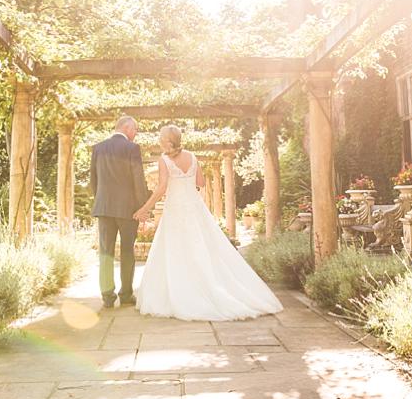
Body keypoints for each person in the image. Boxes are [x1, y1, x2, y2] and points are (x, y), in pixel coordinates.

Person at [133, 124, 283, 321]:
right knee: (201, 248)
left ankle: (185, 293)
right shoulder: (193, 157)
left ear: (169, 141)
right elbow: (201, 183)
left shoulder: (164, 160)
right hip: (194, 208)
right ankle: (207, 286)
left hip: (176, 209)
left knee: (176, 249)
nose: (159, 141)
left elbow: (161, 188)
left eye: (161, 138)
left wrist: (145, 208)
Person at [89, 116, 150, 309]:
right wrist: (142, 207)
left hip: (104, 207)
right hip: (128, 209)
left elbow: (94, 180)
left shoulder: (98, 148)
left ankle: (107, 296)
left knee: (105, 252)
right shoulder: (132, 149)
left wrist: (101, 200)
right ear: (126, 127)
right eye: (136, 130)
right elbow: (138, 180)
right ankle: (125, 294)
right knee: (127, 252)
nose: (136, 134)